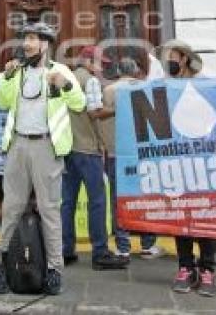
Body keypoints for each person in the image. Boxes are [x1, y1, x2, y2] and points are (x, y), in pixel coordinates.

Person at [0, 22, 85, 296]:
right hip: (18, 145)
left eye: (33, 39)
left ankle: (55, 270)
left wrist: (65, 85)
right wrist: (7, 78)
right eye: (26, 39)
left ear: (46, 44)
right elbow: (3, 103)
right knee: (11, 209)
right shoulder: (17, 72)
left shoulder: (60, 71)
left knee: (49, 210)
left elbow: (79, 104)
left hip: (46, 146)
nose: (27, 44)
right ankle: (4, 268)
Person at [160, 39, 216, 297]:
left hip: (203, 158)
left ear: (183, 58)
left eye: (170, 56)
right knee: (180, 214)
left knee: (205, 215)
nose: (167, 61)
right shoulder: (165, 84)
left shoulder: (205, 82)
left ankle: (207, 269)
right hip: (176, 158)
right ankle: (185, 266)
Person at [61, 45, 128, 271]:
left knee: (67, 202)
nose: (102, 69)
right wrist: (118, 109)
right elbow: (94, 113)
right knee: (98, 201)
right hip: (88, 149)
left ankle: (66, 250)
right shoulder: (89, 81)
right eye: (101, 64)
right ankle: (100, 252)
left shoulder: (68, 78)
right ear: (89, 61)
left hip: (68, 148)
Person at [100, 57, 161, 259]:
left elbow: (102, 121)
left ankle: (122, 246)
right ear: (135, 71)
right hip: (142, 154)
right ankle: (148, 244)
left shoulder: (109, 91)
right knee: (145, 198)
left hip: (116, 153)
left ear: (118, 71)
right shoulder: (146, 88)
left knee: (118, 200)